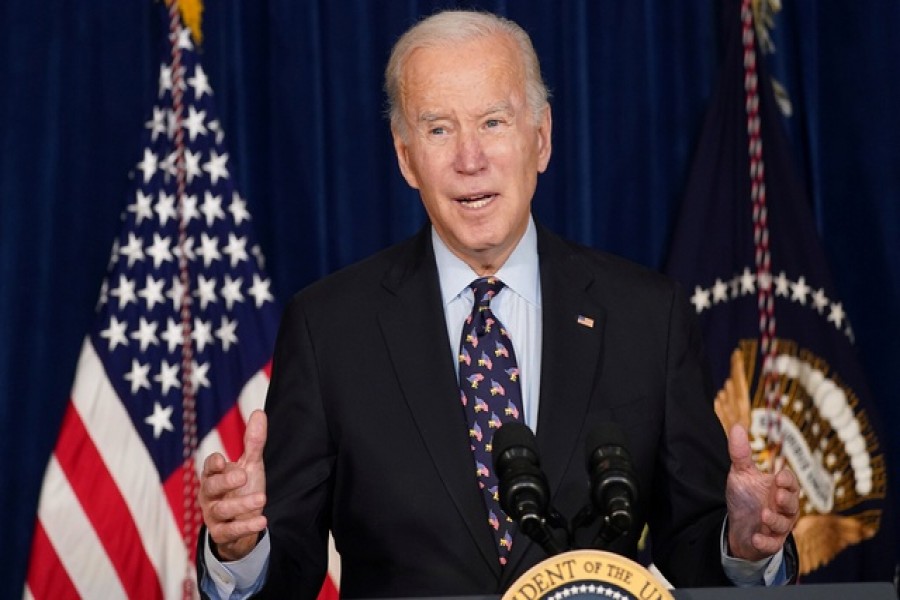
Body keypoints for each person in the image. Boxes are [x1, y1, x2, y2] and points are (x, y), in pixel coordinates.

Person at [197, 9, 800, 598]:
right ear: (406, 158)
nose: (469, 159)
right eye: (438, 128)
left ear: (541, 138)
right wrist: (241, 551)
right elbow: (290, 567)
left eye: (492, 122)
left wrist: (743, 547)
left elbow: (693, 544)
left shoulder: (647, 317)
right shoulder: (330, 328)